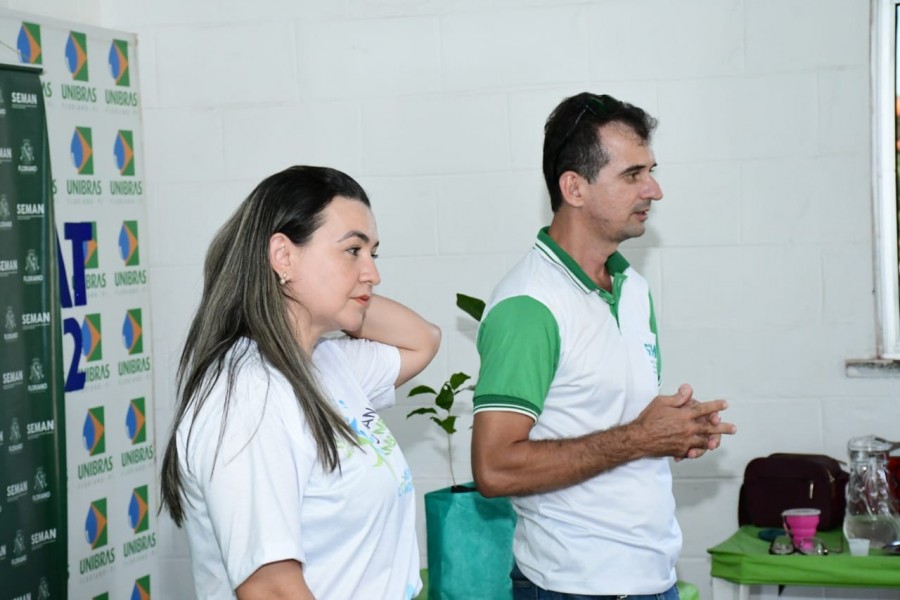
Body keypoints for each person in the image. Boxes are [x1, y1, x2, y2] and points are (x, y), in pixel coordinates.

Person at [471, 93, 737, 599]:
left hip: (653, 580)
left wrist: (672, 431)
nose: (654, 190)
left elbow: (615, 424)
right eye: (633, 175)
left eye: (651, 171)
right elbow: (494, 468)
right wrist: (640, 438)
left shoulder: (632, 288)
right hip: (574, 587)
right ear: (574, 187)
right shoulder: (529, 305)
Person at [160, 165, 441, 600]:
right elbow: (270, 587)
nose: (373, 273)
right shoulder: (248, 393)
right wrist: (343, 297)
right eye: (353, 250)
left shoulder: (324, 362)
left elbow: (424, 340)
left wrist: (345, 296)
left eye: (373, 254)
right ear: (283, 256)